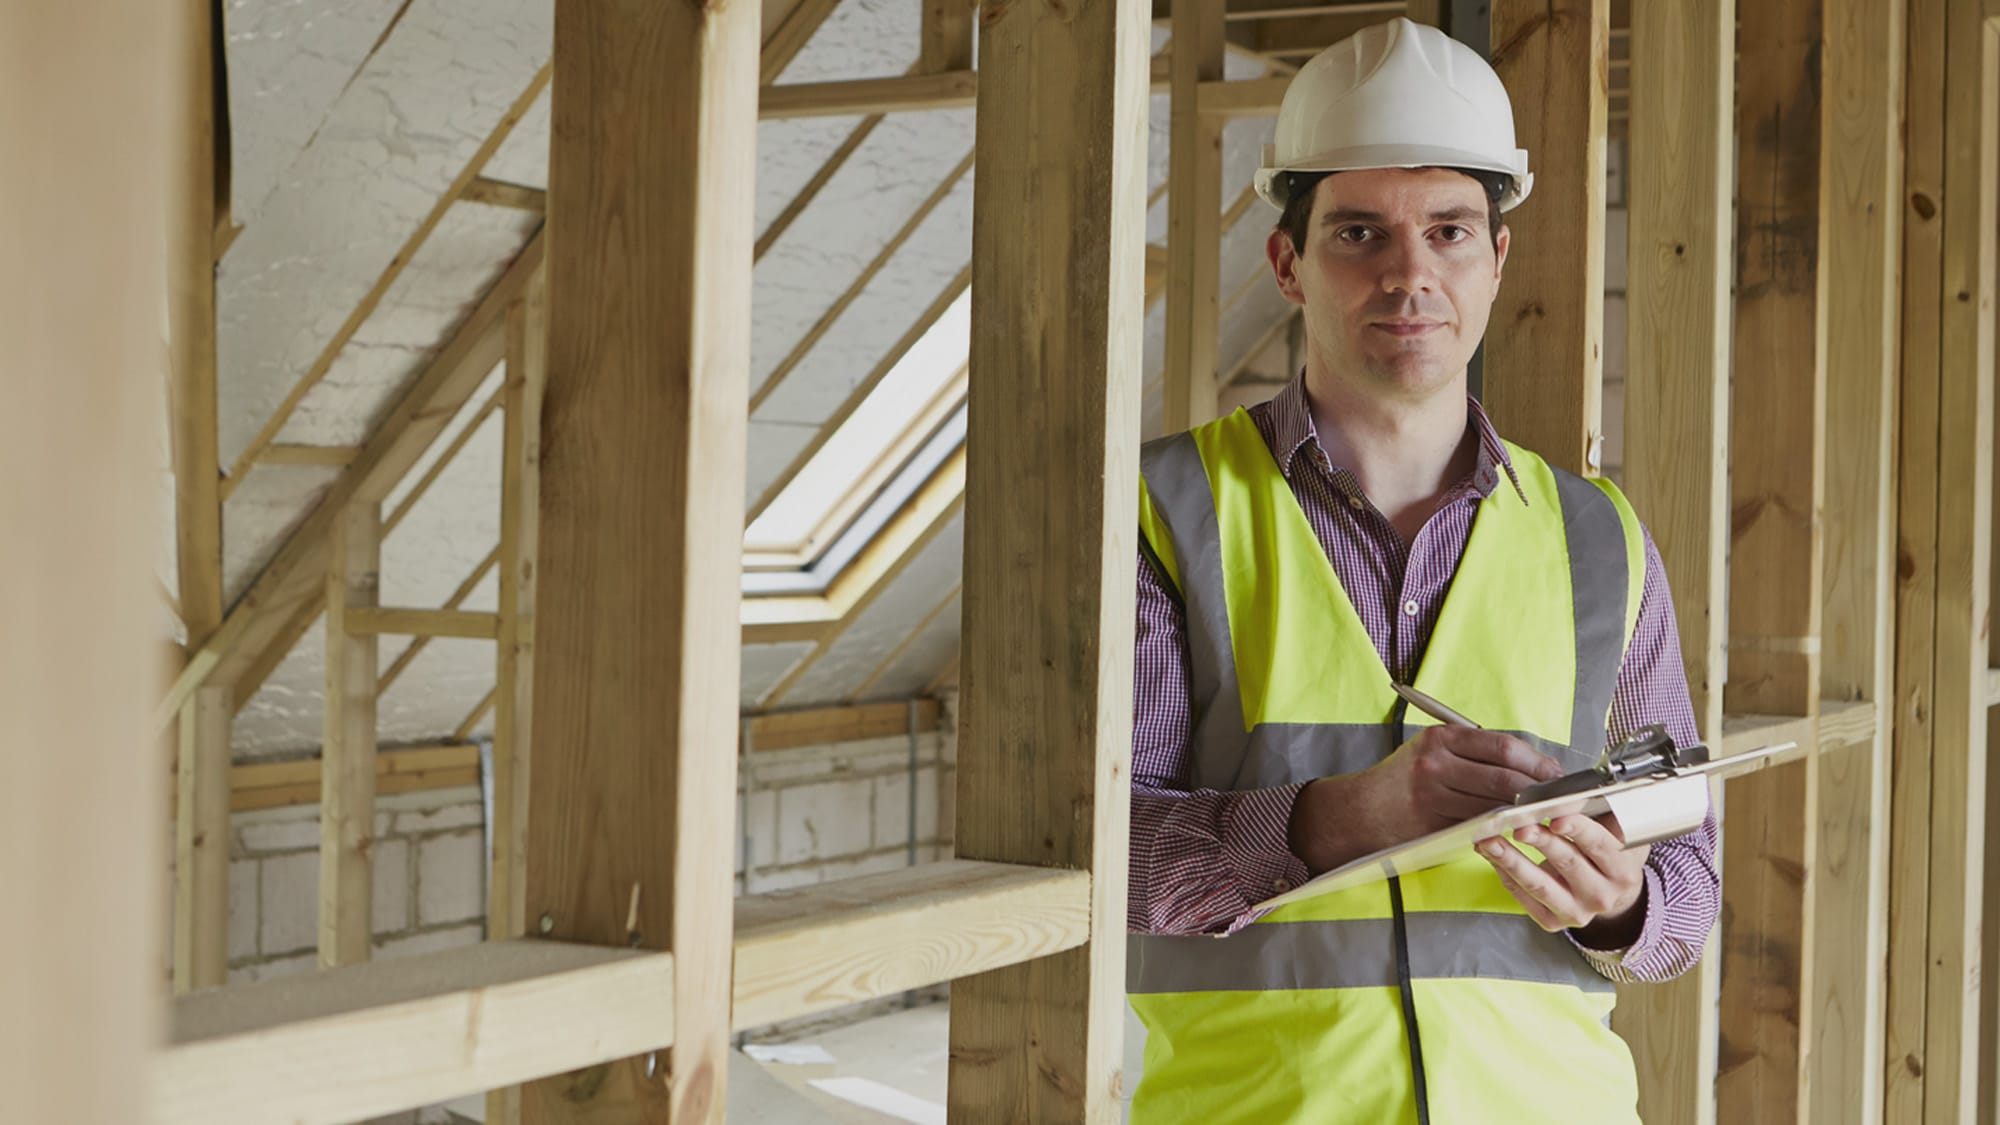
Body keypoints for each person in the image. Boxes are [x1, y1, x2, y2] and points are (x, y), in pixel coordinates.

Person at [1125, 17, 1716, 1124]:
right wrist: (1333, 819)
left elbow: (1687, 884)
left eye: (1449, 231)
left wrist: (1621, 901)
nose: (1409, 275)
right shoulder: (1161, 514)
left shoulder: (1600, 539)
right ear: (1288, 264)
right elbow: (1099, 860)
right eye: (1359, 233)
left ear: (1495, 260)